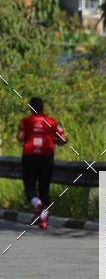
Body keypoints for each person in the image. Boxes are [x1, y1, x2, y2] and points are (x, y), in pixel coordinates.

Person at [16, 97, 68, 230]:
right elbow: (64, 139)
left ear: (30, 108)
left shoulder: (26, 121)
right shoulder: (51, 122)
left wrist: (28, 137)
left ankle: (37, 204)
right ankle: (43, 221)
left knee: (30, 188)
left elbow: (20, 138)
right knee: (44, 189)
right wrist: (53, 140)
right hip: (46, 157)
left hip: (30, 156)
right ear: (42, 107)